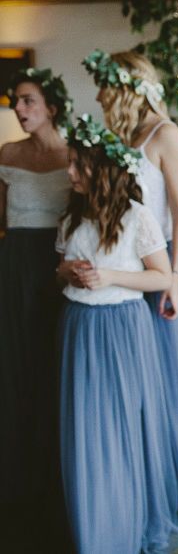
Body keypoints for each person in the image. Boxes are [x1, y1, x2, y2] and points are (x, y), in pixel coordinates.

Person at [82, 49, 178, 525]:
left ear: (126, 87)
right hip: (123, 270)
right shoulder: (117, 136)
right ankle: (143, 486)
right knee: (138, 387)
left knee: (171, 382)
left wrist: (172, 276)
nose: (101, 98)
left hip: (164, 268)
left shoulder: (166, 135)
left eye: (106, 89)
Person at [57, 114, 178, 553]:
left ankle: (128, 518)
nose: (70, 173)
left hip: (124, 328)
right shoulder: (72, 215)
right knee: (86, 429)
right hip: (80, 328)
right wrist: (70, 272)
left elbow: (160, 279)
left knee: (123, 426)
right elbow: (58, 267)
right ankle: (93, 524)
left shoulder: (136, 217)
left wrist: (110, 275)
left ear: (101, 167)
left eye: (78, 165)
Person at [0, 67, 72, 548]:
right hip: (14, 266)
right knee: (16, 364)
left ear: (52, 105)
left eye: (27, 100)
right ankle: (16, 473)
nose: (18, 110)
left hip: (63, 265)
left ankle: (58, 472)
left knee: (56, 362)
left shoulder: (76, 156)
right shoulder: (6, 154)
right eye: (14, 102)